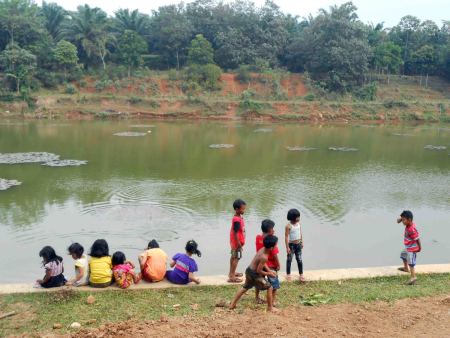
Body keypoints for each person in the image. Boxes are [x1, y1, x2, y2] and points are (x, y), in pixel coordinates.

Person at [229, 235, 279, 313]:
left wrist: (269, 270)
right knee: (270, 287)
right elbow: (259, 270)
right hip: (255, 274)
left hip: (249, 271)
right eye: (276, 245)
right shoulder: (265, 256)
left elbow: (263, 263)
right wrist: (269, 273)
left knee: (245, 288)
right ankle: (270, 308)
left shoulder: (262, 249)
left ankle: (232, 304)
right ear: (272, 248)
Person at [255, 219, 280, 306]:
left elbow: (258, 251)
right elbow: (275, 254)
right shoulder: (272, 240)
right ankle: (272, 301)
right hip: (271, 265)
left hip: (261, 264)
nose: (274, 230)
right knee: (274, 284)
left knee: (259, 281)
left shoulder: (258, 238)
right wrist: (278, 265)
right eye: (273, 228)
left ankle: (257, 297)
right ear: (269, 230)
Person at [397, 210, 422, 285]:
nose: (402, 222)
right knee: (403, 255)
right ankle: (405, 268)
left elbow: (417, 238)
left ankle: (413, 277)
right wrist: (401, 219)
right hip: (408, 247)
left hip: (412, 249)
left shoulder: (411, 229)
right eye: (402, 219)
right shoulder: (408, 224)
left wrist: (419, 248)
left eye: (404, 220)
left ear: (409, 220)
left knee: (411, 263)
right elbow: (400, 220)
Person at [228, 199, 247, 283]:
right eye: (242, 209)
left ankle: (231, 273)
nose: (244, 210)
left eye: (244, 208)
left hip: (235, 242)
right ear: (236, 209)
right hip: (237, 243)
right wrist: (239, 244)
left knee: (233, 256)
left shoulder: (239, 217)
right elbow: (235, 233)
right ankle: (232, 277)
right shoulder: (236, 219)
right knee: (237, 257)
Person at [285, 208, 304, 282]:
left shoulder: (299, 224)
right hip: (291, 245)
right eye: (297, 217)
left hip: (298, 244)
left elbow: (300, 233)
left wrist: (302, 241)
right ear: (293, 218)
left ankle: (301, 274)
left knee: (299, 259)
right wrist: (287, 247)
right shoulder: (288, 226)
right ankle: (288, 274)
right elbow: (286, 237)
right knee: (289, 259)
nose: (299, 218)